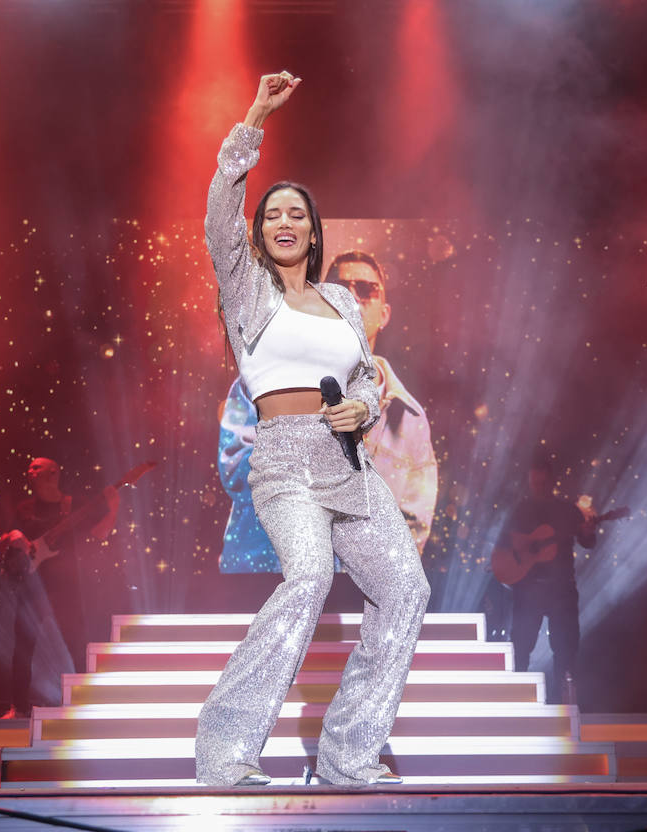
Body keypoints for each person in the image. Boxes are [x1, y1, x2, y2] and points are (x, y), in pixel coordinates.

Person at [195, 71, 430, 787]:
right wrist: (254, 120)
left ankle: (349, 758)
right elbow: (218, 216)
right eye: (273, 215)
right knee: (308, 576)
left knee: (407, 591)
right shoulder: (248, 287)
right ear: (262, 233)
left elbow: (361, 378)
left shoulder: (340, 301)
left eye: (296, 212)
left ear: (314, 229)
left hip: (350, 467)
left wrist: (360, 408)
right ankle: (226, 750)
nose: (283, 221)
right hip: (287, 463)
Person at [217, 249, 438, 571]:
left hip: (362, 590)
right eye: (341, 287)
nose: (354, 298)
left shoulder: (411, 417)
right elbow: (239, 473)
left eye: (366, 290)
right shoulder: (263, 375)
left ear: (385, 313)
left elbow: (415, 520)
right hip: (269, 577)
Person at [0, 457, 118, 717]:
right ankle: (18, 707)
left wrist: (114, 507)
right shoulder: (24, 508)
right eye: (29, 467)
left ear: (53, 473)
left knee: (75, 644)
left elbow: (101, 533)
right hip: (32, 586)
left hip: (65, 587)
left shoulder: (72, 506)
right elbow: (4, 540)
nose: (29, 471)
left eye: (36, 467)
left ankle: (85, 703)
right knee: (23, 646)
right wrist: (13, 536)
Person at [502, 458, 597, 705]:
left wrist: (588, 533)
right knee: (521, 647)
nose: (538, 486)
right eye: (534, 482)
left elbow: (588, 541)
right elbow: (504, 544)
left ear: (551, 481)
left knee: (565, 648)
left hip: (561, 589)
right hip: (528, 588)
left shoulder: (568, 511)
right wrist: (515, 562)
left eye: (542, 482)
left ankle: (561, 702)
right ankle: (516, 699)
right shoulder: (520, 509)